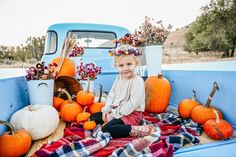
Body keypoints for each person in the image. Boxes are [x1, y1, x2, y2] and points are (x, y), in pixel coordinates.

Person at [90, 44, 153, 138]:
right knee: (93, 117)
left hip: (131, 114)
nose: (125, 68)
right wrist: (106, 111)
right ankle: (115, 123)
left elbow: (133, 104)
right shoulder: (119, 78)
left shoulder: (137, 81)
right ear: (116, 66)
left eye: (129, 64)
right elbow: (112, 95)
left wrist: (114, 115)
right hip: (116, 111)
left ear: (136, 63)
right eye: (121, 65)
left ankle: (137, 129)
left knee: (107, 130)